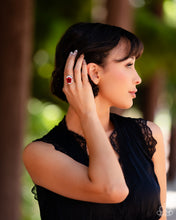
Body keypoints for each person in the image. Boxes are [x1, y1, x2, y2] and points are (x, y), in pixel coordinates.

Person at [23, 22, 167, 220]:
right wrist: (88, 115)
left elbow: (161, 216)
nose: (138, 78)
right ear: (94, 73)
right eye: (128, 65)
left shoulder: (148, 136)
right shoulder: (40, 153)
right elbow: (112, 190)